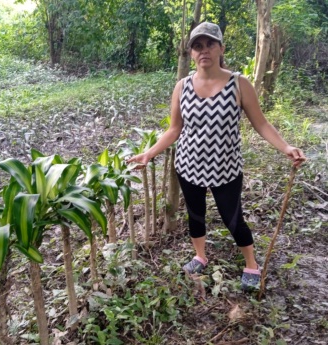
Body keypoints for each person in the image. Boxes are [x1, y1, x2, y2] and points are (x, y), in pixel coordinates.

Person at [127, 22, 306, 290]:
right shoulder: (182, 86)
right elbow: (175, 128)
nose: (204, 51)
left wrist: (286, 147)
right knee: (195, 215)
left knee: (232, 217)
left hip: (226, 169)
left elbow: (262, 124)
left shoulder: (239, 83)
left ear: (221, 48)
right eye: (197, 46)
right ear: (191, 53)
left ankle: (251, 264)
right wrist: (149, 153)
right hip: (188, 166)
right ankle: (200, 255)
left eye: (210, 44)